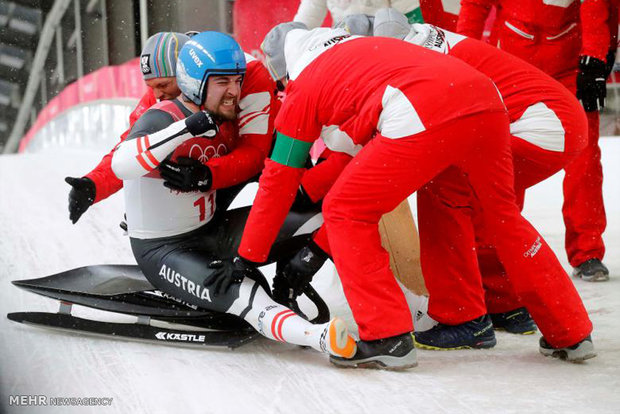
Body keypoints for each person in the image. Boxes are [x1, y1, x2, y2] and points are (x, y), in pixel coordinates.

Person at [208, 23, 595, 370]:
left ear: (286, 72)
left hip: (430, 108)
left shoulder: (305, 87)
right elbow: (354, 154)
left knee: (345, 209)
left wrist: (248, 257)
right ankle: (570, 331)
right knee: (501, 215)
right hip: (485, 101)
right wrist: (311, 252)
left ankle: (387, 337)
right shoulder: (362, 54)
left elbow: (278, 180)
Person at [107, 31, 357, 359]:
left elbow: (260, 164)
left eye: (238, 81)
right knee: (238, 291)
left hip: (214, 231)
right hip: (164, 249)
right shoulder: (161, 115)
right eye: (223, 82)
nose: (235, 92)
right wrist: (187, 128)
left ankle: (290, 281)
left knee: (327, 214)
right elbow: (121, 162)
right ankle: (318, 336)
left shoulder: (231, 118)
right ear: (194, 81)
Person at [372, 8, 590, 349]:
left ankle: (462, 316)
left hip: (538, 128)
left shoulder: (419, 64)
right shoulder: (433, 40)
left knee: (443, 187)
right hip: (557, 121)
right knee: (481, 198)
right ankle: (506, 304)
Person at [457, 0, 617, 281]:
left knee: (584, 159)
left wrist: (594, 59)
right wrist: (462, 62)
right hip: (511, 66)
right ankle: (498, 248)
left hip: (570, 66)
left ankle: (587, 251)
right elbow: (474, 7)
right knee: (505, 158)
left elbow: (595, 6)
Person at [65, 32, 191, 224]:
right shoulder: (155, 99)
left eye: (163, 84)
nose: (157, 94)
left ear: (187, 73)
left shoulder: (222, 84)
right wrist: (93, 185)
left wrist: (209, 174)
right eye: (151, 86)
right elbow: (130, 148)